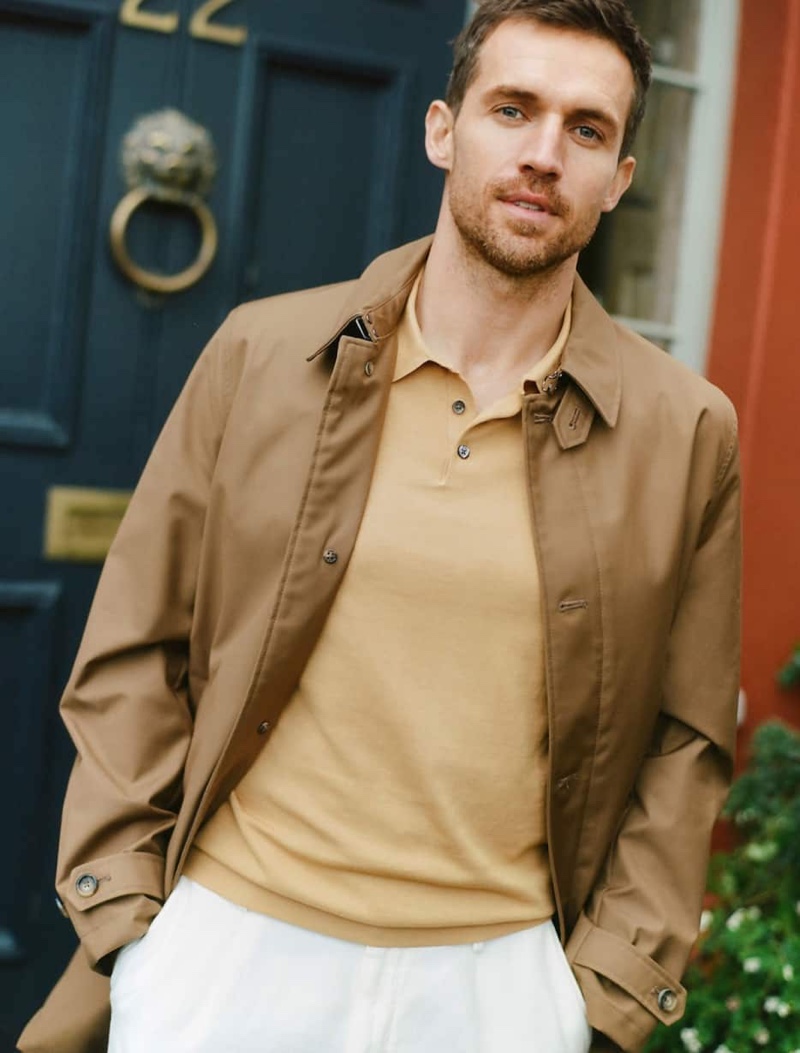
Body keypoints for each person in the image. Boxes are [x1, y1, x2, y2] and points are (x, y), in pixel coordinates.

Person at [19, 1, 741, 1051]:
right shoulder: (261, 357)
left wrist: (602, 992)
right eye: (512, 109)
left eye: (585, 129)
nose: (543, 154)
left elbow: (686, 739)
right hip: (226, 955)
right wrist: (138, 928)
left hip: (498, 985)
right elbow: (135, 646)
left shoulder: (684, 430)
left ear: (618, 178)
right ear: (442, 130)